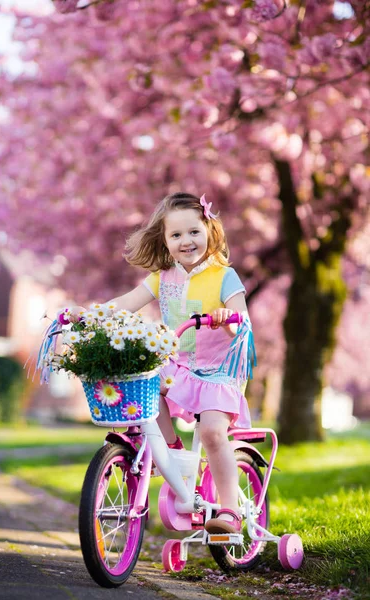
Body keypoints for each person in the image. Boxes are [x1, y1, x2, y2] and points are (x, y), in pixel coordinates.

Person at [77, 192, 254, 534]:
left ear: (209, 231)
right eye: (176, 235)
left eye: (193, 232)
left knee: (213, 433)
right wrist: (93, 315)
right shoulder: (164, 277)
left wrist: (227, 318)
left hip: (219, 371)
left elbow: (242, 323)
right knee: (145, 388)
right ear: (165, 240)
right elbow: (128, 301)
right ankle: (171, 449)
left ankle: (231, 511)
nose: (186, 241)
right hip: (180, 366)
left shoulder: (223, 276)